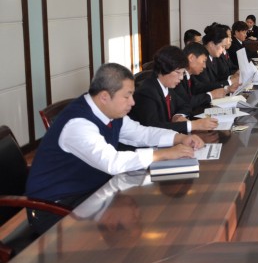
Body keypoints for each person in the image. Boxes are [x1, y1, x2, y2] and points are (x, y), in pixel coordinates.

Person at [25, 63, 204, 234]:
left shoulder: (109, 112)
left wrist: (179, 138)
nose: (132, 102)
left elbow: (140, 133)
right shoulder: (78, 125)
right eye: (127, 96)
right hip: (56, 207)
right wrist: (162, 154)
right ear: (104, 96)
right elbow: (112, 162)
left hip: (94, 192)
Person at [130, 45, 219, 133]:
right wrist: (193, 125)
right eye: (178, 73)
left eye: (183, 73)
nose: (181, 78)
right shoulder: (146, 92)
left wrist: (178, 115)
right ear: (164, 69)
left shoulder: (167, 87)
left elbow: (185, 104)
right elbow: (154, 127)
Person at [173, 42, 229, 110]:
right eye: (203, 61)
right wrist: (211, 95)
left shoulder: (190, 74)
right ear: (191, 58)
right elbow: (186, 102)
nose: (204, 66)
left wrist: (227, 88)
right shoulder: (177, 77)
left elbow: (200, 88)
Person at [192, 23, 239, 95]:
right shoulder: (200, 60)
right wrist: (230, 82)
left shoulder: (214, 57)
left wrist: (230, 79)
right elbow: (204, 87)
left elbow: (218, 78)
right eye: (222, 46)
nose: (223, 50)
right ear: (211, 44)